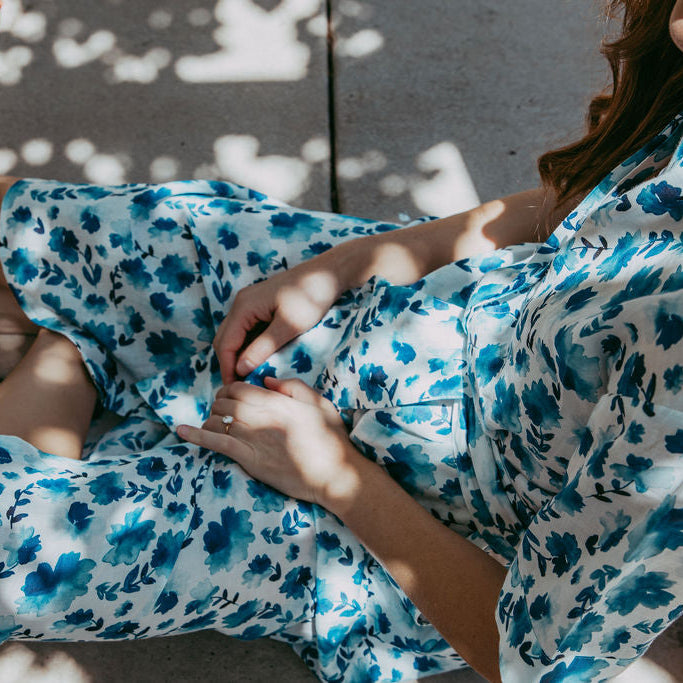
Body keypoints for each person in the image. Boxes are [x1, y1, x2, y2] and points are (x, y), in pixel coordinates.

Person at [0, 0, 681, 680]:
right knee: (34, 227)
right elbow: (570, 203)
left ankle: (78, 358)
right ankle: (77, 366)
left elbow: (542, 660)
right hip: (414, 314)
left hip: (404, 516)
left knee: (20, 549)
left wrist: (332, 473)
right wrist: (347, 263)